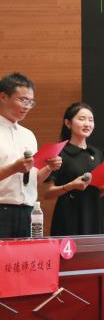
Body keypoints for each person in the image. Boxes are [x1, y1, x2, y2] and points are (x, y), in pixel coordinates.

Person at [41, 103, 104, 236]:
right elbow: (47, 194)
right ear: (68, 123)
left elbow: (98, 192)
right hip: (69, 215)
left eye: (91, 120)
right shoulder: (59, 153)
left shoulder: (98, 153)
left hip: (94, 215)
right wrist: (72, 185)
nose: (87, 124)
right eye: (81, 119)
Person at [0, 73, 62, 239]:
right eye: (23, 100)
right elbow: (15, 170)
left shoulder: (28, 135)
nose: (27, 106)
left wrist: (49, 167)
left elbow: (32, 181)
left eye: (30, 102)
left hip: (27, 211)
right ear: (3, 97)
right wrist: (14, 168)